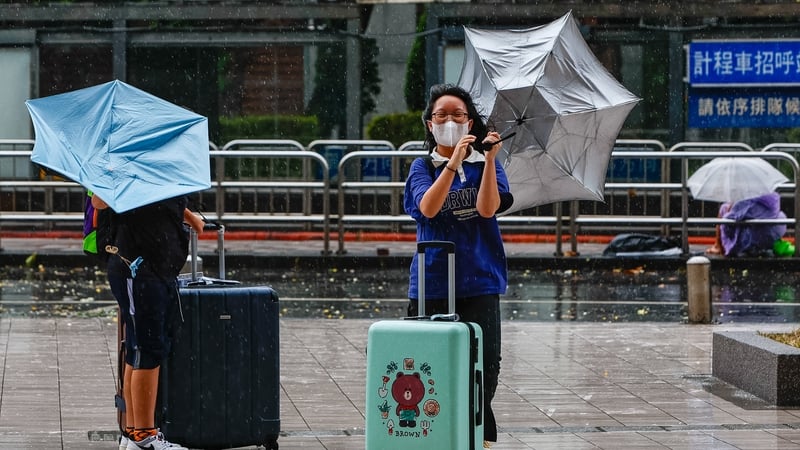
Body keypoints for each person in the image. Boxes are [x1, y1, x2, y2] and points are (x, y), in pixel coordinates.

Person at [404, 84, 513, 448]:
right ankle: (434, 435)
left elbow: (487, 209)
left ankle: (474, 435)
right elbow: (428, 207)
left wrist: (489, 160)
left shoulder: (485, 165)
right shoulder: (422, 167)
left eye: (458, 115)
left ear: (470, 123)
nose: (449, 122)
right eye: (441, 115)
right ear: (429, 123)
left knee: (485, 364)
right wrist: (452, 164)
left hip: (480, 279)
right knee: (429, 365)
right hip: (433, 281)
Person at [92, 194, 204, 450]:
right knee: (146, 350)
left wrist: (190, 217)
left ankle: (134, 433)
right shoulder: (130, 171)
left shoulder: (159, 174)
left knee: (138, 349)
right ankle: (145, 436)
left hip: (153, 270)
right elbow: (99, 201)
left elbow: (162, 198)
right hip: (137, 270)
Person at [705, 192, 787, 257]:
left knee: (724, 209)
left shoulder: (745, 201)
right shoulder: (771, 195)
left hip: (756, 238)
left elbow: (728, 222)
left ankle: (718, 246)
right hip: (775, 232)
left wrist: (731, 208)